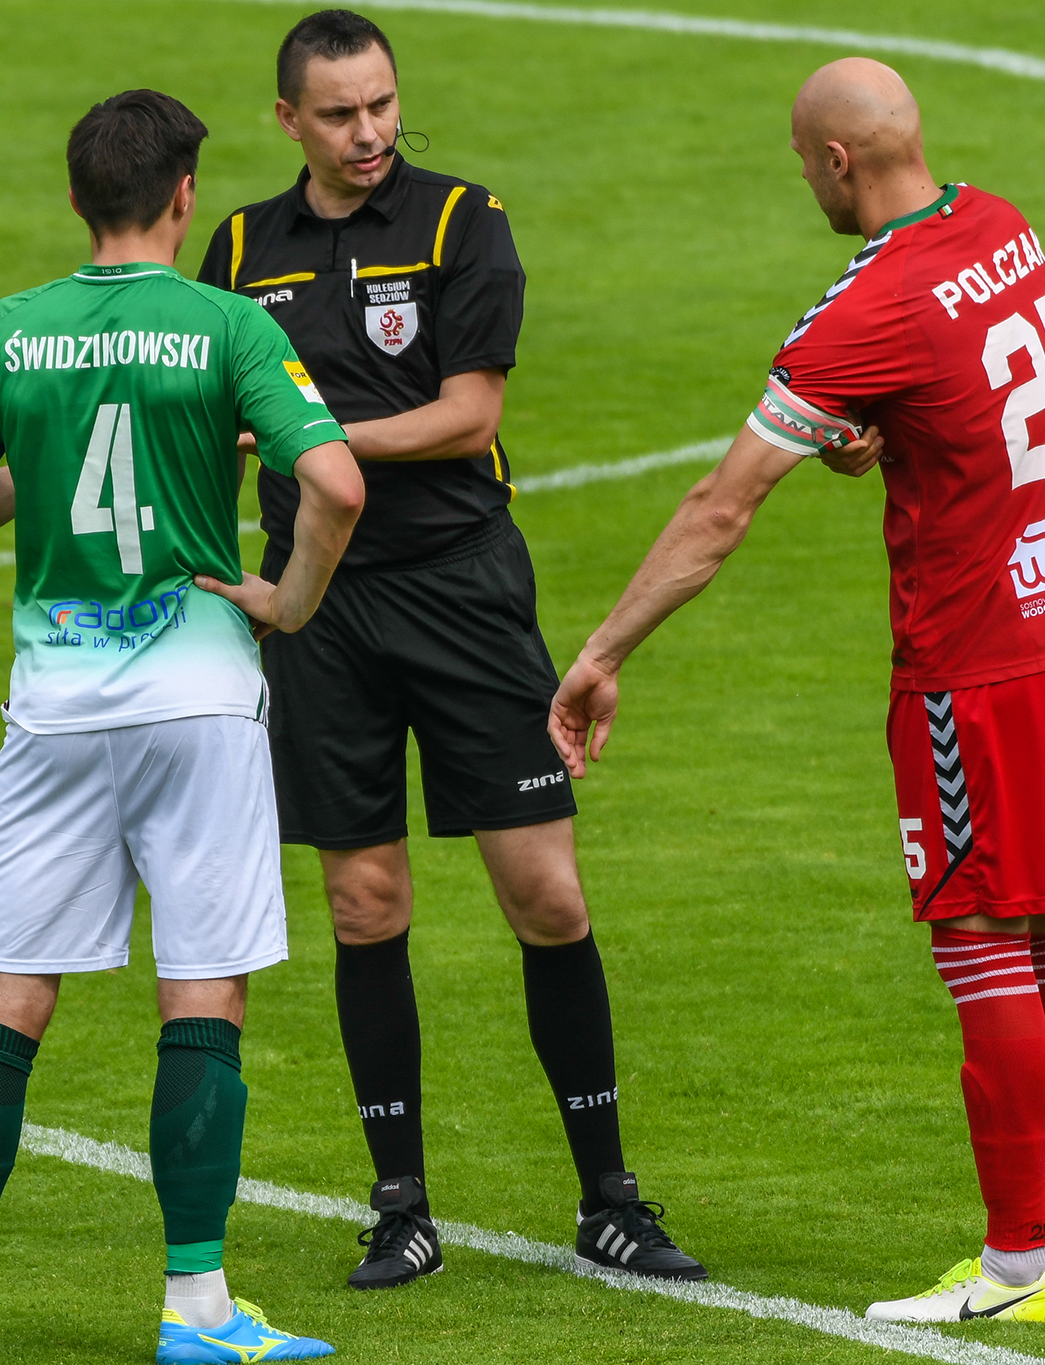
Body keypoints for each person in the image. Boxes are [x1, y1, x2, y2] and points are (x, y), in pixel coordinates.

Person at [547, 58, 1045, 1325]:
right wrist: (880, 435)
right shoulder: (999, 224)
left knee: (981, 942)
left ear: (833, 162)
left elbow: (720, 507)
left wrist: (603, 651)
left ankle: (1013, 1267)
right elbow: (956, 402)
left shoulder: (867, 305)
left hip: (971, 660)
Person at [197, 9, 705, 1290]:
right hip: (318, 607)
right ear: (288, 120)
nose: (368, 132)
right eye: (338, 114)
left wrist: (309, 438)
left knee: (547, 897)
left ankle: (608, 1199)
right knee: (364, 905)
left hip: (461, 593)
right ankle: (400, 1207)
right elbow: (208, 428)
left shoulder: (460, 221)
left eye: (381, 104)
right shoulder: (242, 249)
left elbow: (469, 415)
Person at [0, 88, 364, 1364]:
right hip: (197, 700)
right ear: (183, 197)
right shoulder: (227, 325)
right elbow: (333, 483)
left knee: (9, 1000)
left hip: (53, 708)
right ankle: (196, 1311)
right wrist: (286, 602)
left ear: (74, 199)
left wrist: (39, 471)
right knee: (199, 994)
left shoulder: (9, 331)